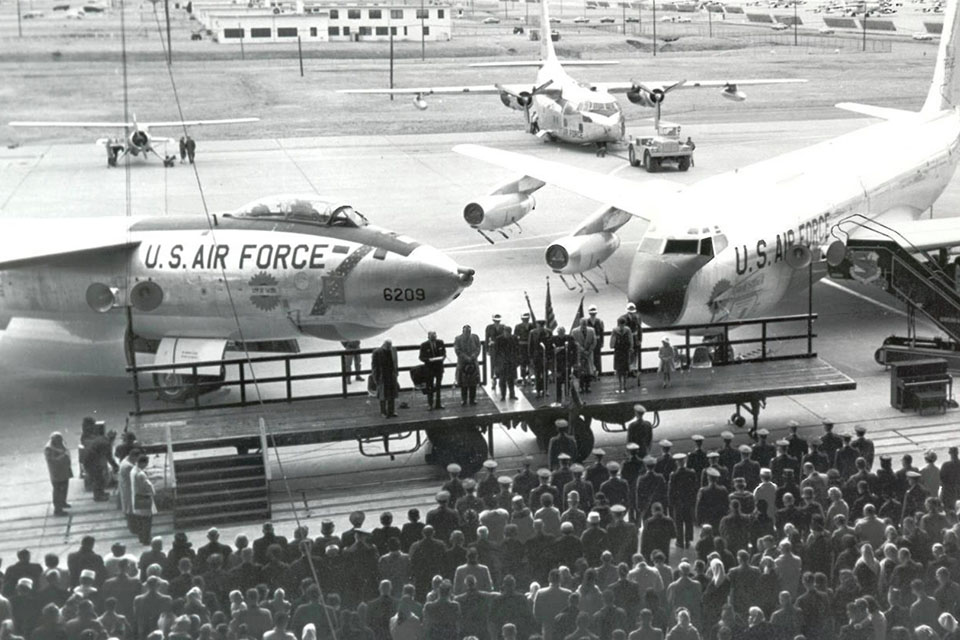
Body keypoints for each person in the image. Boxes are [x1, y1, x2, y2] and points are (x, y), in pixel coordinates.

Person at [44, 432, 72, 517]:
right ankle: (58, 509)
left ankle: (63, 502)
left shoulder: (61, 444)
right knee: (58, 489)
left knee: (65, 486)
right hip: (56, 472)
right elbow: (51, 460)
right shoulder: (49, 448)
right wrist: (62, 456)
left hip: (64, 469)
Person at [418, 331, 447, 410]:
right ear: (428, 337)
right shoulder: (424, 345)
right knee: (429, 387)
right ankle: (430, 404)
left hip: (439, 368)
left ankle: (438, 404)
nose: (434, 338)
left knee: (438, 386)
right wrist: (428, 360)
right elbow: (421, 357)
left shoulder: (440, 342)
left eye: (435, 336)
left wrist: (442, 358)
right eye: (432, 337)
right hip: (429, 369)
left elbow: (444, 353)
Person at [454, 325, 482, 406]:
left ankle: (472, 399)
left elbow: (478, 348)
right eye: (466, 332)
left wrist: (473, 356)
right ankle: (464, 399)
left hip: (473, 362)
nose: (467, 333)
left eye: (469, 331)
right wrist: (466, 357)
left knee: (473, 382)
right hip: (463, 363)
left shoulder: (475, 337)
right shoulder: (458, 339)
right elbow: (457, 350)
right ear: (462, 331)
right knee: (464, 383)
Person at [131, 455, 155, 545]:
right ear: (143, 463)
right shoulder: (141, 474)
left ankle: (142, 538)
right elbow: (148, 486)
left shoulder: (133, 470)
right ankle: (146, 539)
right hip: (144, 496)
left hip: (137, 496)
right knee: (147, 521)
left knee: (141, 520)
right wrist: (153, 492)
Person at [371, 340, 399, 418]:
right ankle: (383, 412)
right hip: (382, 376)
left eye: (390, 346)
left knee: (392, 394)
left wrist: (396, 373)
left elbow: (395, 362)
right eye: (387, 346)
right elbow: (374, 366)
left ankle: (391, 411)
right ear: (384, 345)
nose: (389, 347)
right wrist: (375, 377)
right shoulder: (377, 352)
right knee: (382, 395)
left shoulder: (393, 350)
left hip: (391, 375)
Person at [571, 318, 597, 394]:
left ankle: (588, 386)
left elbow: (594, 341)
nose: (584, 325)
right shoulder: (575, 331)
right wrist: (582, 350)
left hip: (589, 353)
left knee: (588, 371)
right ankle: (581, 387)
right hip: (579, 353)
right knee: (580, 370)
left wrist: (589, 350)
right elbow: (574, 342)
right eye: (583, 324)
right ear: (580, 323)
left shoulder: (591, 330)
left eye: (585, 324)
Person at [495, 326, 519, 401]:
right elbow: (496, 352)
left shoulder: (514, 338)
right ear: (504, 332)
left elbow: (517, 350)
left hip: (511, 362)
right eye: (506, 332)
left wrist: (516, 361)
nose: (507, 334)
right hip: (502, 363)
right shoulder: (499, 339)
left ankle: (512, 394)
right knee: (502, 381)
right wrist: (497, 364)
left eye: (509, 332)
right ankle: (503, 395)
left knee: (511, 380)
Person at [609, 317, 633, 394]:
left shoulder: (628, 330)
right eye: (620, 324)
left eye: (622, 324)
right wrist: (612, 345)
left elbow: (630, 339)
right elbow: (612, 342)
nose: (621, 326)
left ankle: (624, 385)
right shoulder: (615, 330)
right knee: (619, 369)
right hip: (618, 351)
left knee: (625, 369)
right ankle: (620, 385)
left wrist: (631, 347)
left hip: (625, 351)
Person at [485, 314, 507, 389]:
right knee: (493, 364)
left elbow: (505, 338)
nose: (497, 322)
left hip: (501, 348)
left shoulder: (503, 327)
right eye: (496, 320)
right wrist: (487, 349)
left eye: (498, 320)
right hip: (493, 348)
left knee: (502, 364)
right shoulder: (489, 327)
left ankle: (502, 380)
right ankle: (494, 381)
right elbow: (487, 338)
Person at [514, 312, 534, 385]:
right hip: (522, 347)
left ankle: (530, 377)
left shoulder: (532, 325)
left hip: (530, 346)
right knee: (523, 363)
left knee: (530, 363)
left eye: (527, 318)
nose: (525, 320)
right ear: (521, 318)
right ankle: (523, 378)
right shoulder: (518, 326)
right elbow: (515, 337)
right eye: (524, 318)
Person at [585, 305, 605, 376]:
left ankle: (598, 372)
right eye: (591, 313)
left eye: (594, 313)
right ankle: (591, 372)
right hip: (590, 342)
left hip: (598, 341)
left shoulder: (600, 321)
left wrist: (602, 342)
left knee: (597, 357)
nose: (593, 314)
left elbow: (602, 333)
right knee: (590, 358)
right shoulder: (586, 322)